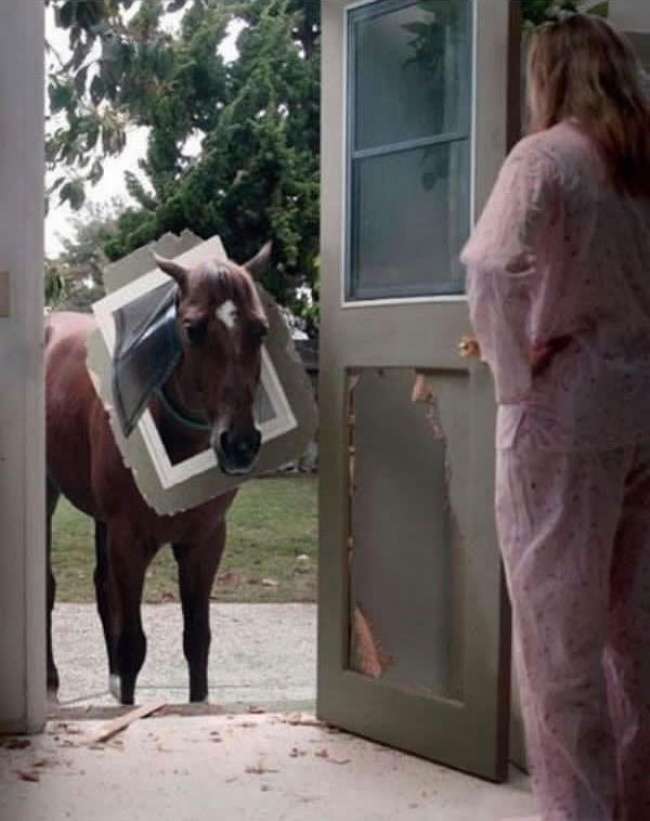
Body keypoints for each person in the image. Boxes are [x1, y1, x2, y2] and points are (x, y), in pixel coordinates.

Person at [460, 13, 650, 821]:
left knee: (559, 647)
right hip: (642, 406)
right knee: (638, 637)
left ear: (552, 74)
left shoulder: (545, 158)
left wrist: (514, 369)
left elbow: (489, 265)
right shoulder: (641, 162)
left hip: (565, 419)